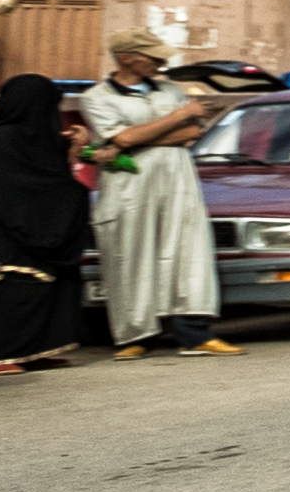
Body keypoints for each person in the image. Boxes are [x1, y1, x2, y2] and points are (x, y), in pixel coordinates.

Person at [74, 37, 230, 358]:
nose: (159, 64)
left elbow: (192, 132)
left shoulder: (169, 90)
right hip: (130, 186)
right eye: (151, 58)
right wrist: (177, 117)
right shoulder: (97, 98)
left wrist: (133, 139)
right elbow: (122, 136)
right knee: (131, 254)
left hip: (176, 181)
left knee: (187, 252)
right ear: (127, 58)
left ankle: (194, 333)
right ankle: (136, 336)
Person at [0, 71, 89, 373]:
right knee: (10, 286)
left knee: (57, 278)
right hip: (2, 236)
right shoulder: (0, 143)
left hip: (34, 229)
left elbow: (56, 181)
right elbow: (15, 189)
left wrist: (73, 151)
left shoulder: (36, 141)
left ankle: (35, 349)